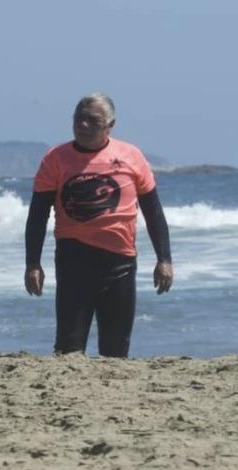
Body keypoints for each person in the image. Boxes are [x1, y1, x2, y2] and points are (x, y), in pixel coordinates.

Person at [24, 92, 173, 357]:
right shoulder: (56, 158)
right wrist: (32, 264)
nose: (83, 126)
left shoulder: (131, 156)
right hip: (74, 261)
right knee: (68, 347)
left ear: (110, 125)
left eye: (92, 120)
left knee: (116, 351)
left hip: (120, 263)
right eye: (78, 119)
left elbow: (153, 211)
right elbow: (37, 214)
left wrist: (164, 259)